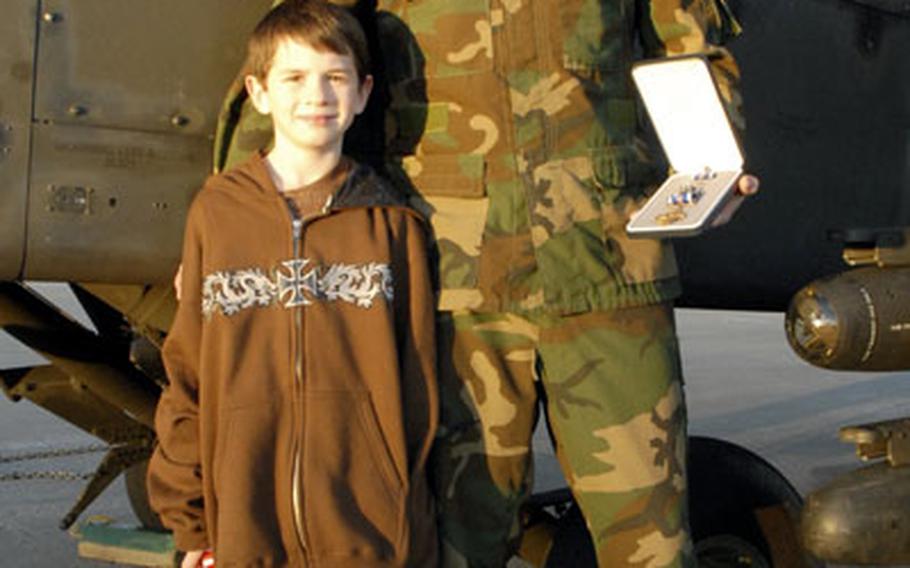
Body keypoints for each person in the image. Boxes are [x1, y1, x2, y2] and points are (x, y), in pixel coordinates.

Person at [215, 1, 759, 566]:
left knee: (652, 543)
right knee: (458, 540)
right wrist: (240, 228)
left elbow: (692, 49)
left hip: (609, 266)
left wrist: (713, 165)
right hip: (456, 284)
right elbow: (299, 43)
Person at [147, 1, 438, 566]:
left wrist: (413, 531)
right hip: (246, 532)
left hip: (370, 538)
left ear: (363, 92)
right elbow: (187, 375)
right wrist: (193, 527)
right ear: (258, 92)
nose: (317, 96)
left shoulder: (394, 226)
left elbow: (420, 391)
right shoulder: (217, 214)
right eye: (295, 78)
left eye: (335, 78)